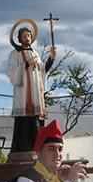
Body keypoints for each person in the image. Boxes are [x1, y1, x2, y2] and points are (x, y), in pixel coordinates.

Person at [6, 24, 56, 154]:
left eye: (28, 35)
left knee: (36, 122)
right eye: (24, 36)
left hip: (35, 94)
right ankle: (22, 149)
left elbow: (43, 70)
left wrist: (51, 58)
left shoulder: (35, 53)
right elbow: (11, 72)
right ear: (19, 39)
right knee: (24, 123)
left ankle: (37, 148)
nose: (27, 38)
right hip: (23, 95)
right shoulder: (14, 54)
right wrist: (25, 64)